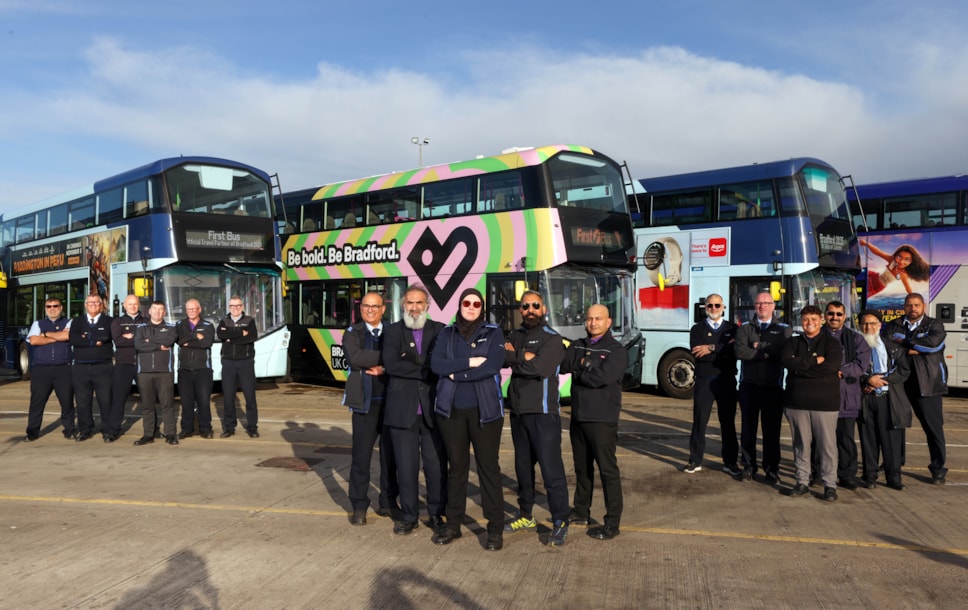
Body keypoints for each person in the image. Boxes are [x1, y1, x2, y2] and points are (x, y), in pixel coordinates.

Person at [430, 288, 506, 550]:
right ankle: (453, 525)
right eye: (467, 302)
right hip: (451, 412)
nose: (471, 307)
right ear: (459, 305)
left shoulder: (493, 332)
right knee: (457, 468)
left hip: (485, 413)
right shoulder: (447, 333)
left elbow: (493, 365)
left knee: (488, 469)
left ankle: (495, 529)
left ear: (481, 307)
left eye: (476, 303)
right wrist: (470, 362)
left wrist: (458, 373)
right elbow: (437, 365)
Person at [504, 290, 569, 547]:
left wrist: (516, 358)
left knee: (551, 471)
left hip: (543, 414)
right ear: (520, 310)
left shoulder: (553, 339)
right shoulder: (515, 335)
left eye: (535, 306)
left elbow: (540, 369)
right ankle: (526, 515)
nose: (530, 310)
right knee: (523, 470)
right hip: (518, 413)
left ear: (544, 309)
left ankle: (561, 520)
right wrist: (523, 357)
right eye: (525, 306)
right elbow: (502, 356)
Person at [381, 284, 447, 536]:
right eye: (410, 302)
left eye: (419, 303)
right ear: (402, 305)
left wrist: (409, 358)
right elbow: (391, 364)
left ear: (427, 306)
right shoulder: (392, 331)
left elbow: (439, 364)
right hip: (402, 411)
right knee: (406, 467)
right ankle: (409, 516)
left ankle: (436, 514)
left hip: (432, 410)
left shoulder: (439, 330)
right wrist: (424, 367)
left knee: (435, 466)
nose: (415, 307)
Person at [560, 304, 628, 541]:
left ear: (608, 322)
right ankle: (580, 511)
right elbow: (564, 365)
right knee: (582, 469)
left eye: (598, 319)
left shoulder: (616, 350)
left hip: (602, 419)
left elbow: (602, 378)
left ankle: (612, 522)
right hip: (578, 417)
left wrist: (581, 367)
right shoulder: (579, 344)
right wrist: (584, 366)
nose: (593, 323)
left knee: (608, 471)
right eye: (589, 319)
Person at [342, 291, 399, 525]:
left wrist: (384, 362)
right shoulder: (352, 332)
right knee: (361, 458)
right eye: (366, 306)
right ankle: (359, 505)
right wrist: (387, 358)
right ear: (360, 308)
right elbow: (355, 358)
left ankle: (387, 502)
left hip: (390, 403)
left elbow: (400, 358)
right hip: (364, 405)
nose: (371, 310)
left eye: (375, 306)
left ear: (383, 309)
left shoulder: (394, 332)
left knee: (390, 457)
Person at [782, 305, 843, 501]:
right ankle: (802, 482)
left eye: (814, 320)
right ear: (801, 321)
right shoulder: (792, 342)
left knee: (827, 447)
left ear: (821, 321)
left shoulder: (832, 344)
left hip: (825, 404)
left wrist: (801, 368)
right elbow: (788, 363)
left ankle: (829, 485)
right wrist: (814, 361)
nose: (810, 323)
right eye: (806, 319)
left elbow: (831, 367)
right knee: (801, 445)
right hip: (796, 403)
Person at [888, 292, 948, 484]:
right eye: (909, 305)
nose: (913, 309)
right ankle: (896, 462)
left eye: (917, 305)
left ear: (923, 307)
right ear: (904, 307)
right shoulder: (894, 324)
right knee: (897, 425)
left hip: (927, 384)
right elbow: (888, 345)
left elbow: (933, 345)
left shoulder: (934, 325)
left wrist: (904, 343)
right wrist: (911, 349)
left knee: (933, 428)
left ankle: (938, 468)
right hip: (901, 383)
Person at [811, 301, 871, 490]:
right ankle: (818, 473)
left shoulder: (856, 339)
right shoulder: (816, 337)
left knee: (845, 439)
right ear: (824, 316)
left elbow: (862, 364)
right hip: (821, 394)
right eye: (830, 314)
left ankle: (847, 474)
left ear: (844, 317)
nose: (834, 317)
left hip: (847, 396)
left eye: (838, 314)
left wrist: (840, 372)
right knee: (819, 438)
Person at [733, 292, 790, 484]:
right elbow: (740, 351)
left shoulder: (784, 329)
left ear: (773, 306)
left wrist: (758, 346)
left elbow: (783, 352)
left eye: (766, 303)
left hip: (772, 388)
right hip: (749, 387)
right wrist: (765, 352)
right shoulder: (745, 328)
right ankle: (749, 466)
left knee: (771, 433)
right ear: (754, 306)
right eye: (758, 303)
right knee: (748, 431)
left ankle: (771, 470)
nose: (762, 306)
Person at [684, 294, 739, 475]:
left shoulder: (733, 328)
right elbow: (699, 355)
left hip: (727, 381)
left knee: (727, 423)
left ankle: (730, 462)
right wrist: (724, 349)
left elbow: (735, 352)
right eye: (710, 305)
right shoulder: (697, 329)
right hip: (704, 382)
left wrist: (712, 347)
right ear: (705, 307)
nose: (714, 308)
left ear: (723, 307)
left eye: (717, 305)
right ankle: (695, 460)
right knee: (699, 421)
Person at [858, 310, 912, 490]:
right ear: (860, 326)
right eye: (865, 324)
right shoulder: (854, 347)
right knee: (869, 439)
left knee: (891, 441)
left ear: (880, 325)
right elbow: (850, 369)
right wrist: (867, 380)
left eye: (873, 323)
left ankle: (894, 478)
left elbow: (904, 371)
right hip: (866, 398)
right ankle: (869, 476)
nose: (869, 327)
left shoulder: (893, 346)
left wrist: (880, 381)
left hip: (889, 398)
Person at [23, 297, 74, 441]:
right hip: (41, 369)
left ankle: (69, 429)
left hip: (63, 368)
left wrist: (44, 335)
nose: (52, 308)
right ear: (45, 308)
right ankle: (32, 432)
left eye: (55, 306)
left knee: (67, 402)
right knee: (37, 403)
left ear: (61, 307)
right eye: (49, 306)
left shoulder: (69, 322)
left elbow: (67, 335)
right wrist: (58, 337)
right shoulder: (37, 323)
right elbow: (33, 340)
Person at [69, 294, 114, 441]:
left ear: (101, 305)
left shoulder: (109, 321)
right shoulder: (77, 321)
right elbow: (73, 339)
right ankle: (85, 429)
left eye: (96, 302)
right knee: (82, 401)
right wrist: (94, 341)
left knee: (106, 400)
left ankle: (108, 431)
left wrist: (86, 337)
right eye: (90, 302)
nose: (93, 304)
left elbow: (105, 336)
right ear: (85, 305)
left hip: (103, 367)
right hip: (81, 368)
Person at [133, 301, 178, 446]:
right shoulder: (141, 328)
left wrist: (149, 341)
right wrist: (158, 345)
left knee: (167, 405)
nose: (157, 312)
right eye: (155, 309)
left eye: (160, 310)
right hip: (145, 372)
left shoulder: (171, 328)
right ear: (149, 312)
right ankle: (148, 434)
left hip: (165, 372)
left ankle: (170, 434)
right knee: (147, 405)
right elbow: (138, 345)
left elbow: (169, 341)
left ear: (164, 312)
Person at [218, 295, 259, 438]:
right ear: (229, 307)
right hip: (228, 362)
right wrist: (241, 333)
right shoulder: (224, 320)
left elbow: (252, 337)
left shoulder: (249, 321)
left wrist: (231, 338)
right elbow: (220, 335)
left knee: (250, 396)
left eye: (237, 305)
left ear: (242, 306)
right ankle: (229, 427)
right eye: (232, 306)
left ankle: (252, 427)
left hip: (246, 362)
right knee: (228, 397)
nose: (235, 308)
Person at [176, 299, 216, 439]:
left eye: (194, 309)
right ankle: (187, 429)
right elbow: (180, 341)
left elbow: (206, 343)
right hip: (185, 369)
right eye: (188, 309)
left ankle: (206, 429)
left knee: (204, 401)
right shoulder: (180, 324)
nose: (191, 311)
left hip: (203, 369)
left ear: (199, 309)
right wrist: (196, 337)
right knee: (186, 402)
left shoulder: (208, 325)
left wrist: (189, 341)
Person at [108, 295, 144, 443]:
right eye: (130, 304)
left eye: (135, 304)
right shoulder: (117, 322)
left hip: (143, 365)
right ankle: (113, 431)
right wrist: (139, 339)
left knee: (148, 400)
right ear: (124, 305)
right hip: (124, 365)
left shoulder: (146, 321)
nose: (133, 306)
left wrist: (131, 337)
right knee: (119, 399)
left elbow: (149, 341)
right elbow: (118, 341)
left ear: (139, 305)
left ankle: (152, 430)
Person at [859, 239, 930, 297]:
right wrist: (866, 243)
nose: (902, 262)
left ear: (911, 261)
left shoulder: (903, 274)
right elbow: (878, 252)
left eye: (907, 260)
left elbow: (908, 288)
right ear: (896, 255)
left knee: (861, 295)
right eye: (899, 257)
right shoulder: (892, 260)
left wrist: (914, 299)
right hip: (873, 276)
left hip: (878, 286)